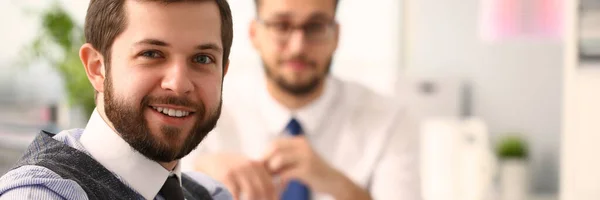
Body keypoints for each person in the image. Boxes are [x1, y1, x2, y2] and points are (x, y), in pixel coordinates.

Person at [181, 0, 422, 199]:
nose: (298, 46)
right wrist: (196, 175)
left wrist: (337, 184)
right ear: (254, 34)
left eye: (315, 27)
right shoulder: (208, 110)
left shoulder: (390, 120)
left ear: (336, 36)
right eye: (281, 25)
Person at [0, 0, 233, 199]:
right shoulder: (40, 194)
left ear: (223, 72)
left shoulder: (212, 194)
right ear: (97, 68)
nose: (179, 84)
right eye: (151, 54)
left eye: (202, 59)